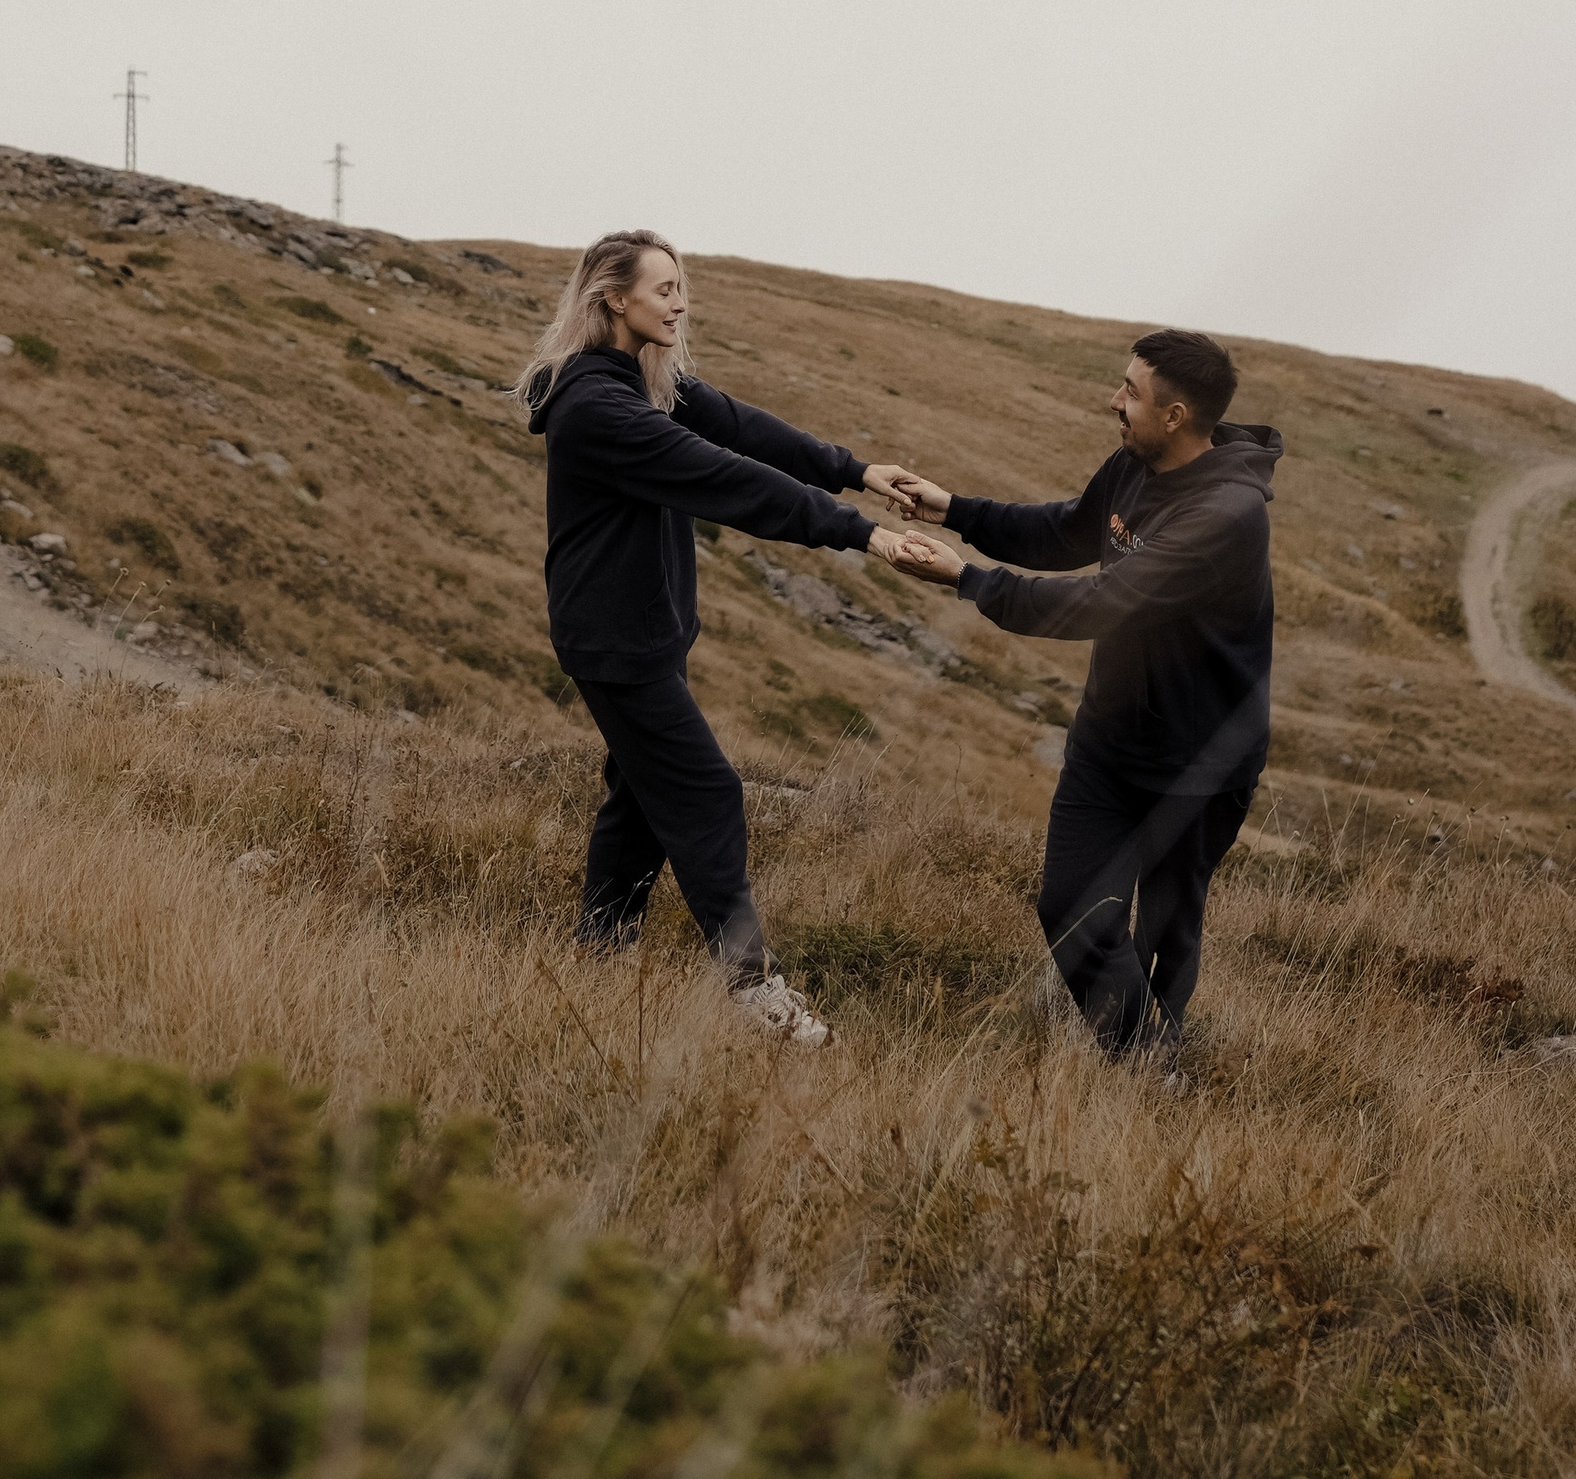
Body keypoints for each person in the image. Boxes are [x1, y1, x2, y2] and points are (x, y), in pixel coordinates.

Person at [518, 228, 924, 1046]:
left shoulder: (644, 382)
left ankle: (598, 957)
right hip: (615, 642)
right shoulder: (598, 408)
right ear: (613, 300)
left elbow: (742, 427)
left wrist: (853, 469)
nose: (679, 301)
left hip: (644, 634)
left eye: (681, 286)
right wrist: (861, 534)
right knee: (706, 793)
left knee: (638, 800)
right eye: (663, 289)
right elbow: (726, 476)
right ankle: (752, 989)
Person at [870, 330, 1278, 1068]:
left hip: (1200, 767)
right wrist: (952, 508)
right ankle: (1147, 1062)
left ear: (1177, 414)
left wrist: (968, 580)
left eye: (1130, 392)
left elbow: (1099, 604)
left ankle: (1152, 1080)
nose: (1114, 400)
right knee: (1072, 910)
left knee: (1167, 932)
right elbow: (1065, 533)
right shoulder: (1134, 463)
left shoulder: (1227, 518)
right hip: (1110, 745)